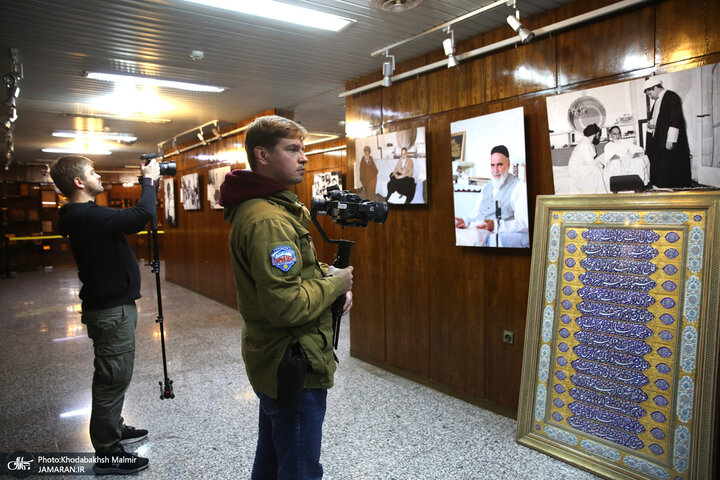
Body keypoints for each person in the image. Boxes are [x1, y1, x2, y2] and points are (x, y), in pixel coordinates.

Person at [219, 115, 354, 479]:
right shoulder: (268, 220)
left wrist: (327, 277)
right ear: (262, 155)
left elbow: (297, 272)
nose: (304, 158)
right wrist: (336, 285)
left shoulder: (273, 207)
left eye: (303, 149)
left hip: (274, 357)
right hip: (292, 359)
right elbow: (286, 305)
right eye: (292, 149)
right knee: (298, 465)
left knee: (272, 456)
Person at [49, 155, 159, 475]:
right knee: (112, 379)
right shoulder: (85, 215)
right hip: (111, 310)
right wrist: (148, 180)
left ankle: (115, 428)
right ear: (79, 183)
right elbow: (143, 215)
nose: (99, 176)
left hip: (112, 307)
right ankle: (108, 452)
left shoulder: (84, 215)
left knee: (116, 374)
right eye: (92, 172)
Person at [454, 145, 529, 248]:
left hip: (490, 234)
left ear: (508, 164)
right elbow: (477, 213)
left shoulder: (519, 187)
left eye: (499, 165)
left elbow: (524, 223)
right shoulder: (486, 187)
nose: (495, 170)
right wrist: (466, 221)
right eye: (492, 165)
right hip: (475, 229)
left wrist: (496, 225)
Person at [643, 77, 692, 188]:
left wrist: (671, 140)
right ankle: (662, 187)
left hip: (668, 141)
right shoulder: (657, 102)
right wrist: (652, 126)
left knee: (673, 169)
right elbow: (660, 121)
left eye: (650, 93)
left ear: (655, 87)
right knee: (662, 168)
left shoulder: (671, 96)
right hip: (660, 140)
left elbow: (675, 119)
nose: (650, 97)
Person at [567, 123, 608, 194]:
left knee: (600, 164)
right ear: (594, 134)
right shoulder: (584, 144)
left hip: (583, 166)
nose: (599, 137)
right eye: (598, 135)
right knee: (596, 170)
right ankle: (601, 193)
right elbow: (590, 162)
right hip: (576, 170)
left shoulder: (589, 143)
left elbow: (591, 160)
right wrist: (600, 165)